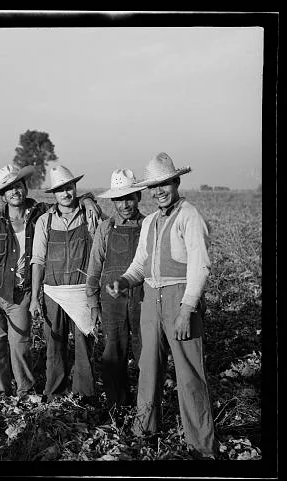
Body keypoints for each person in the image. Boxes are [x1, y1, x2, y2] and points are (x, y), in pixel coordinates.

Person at [106, 152, 216, 458]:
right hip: (150, 300)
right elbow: (140, 264)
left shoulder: (190, 215)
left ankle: (201, 446)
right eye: (153, 186)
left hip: (180, 300)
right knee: (147, 368)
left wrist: (186, 309)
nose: (159, 191)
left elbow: (201, 266)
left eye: (164, 183)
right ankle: (144, 431)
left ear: (176, 181)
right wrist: (125, 281)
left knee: (189, 373)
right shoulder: (151, 221)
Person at [0, 164, 102, 399]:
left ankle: (29, 390)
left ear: (25, 188)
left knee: (21, 344)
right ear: (3, 195)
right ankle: (1, 390)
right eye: (9, 189)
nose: (15, 192)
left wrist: (88, 199)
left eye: (18, 186)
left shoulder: (39, 214)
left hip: (25, 292)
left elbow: (68, 200)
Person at [29, 165, 105, 402]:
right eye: (60, 190)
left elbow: (102, 242)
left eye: (69, 188)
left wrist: (89, 200)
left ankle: (85, 393)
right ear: (54, 194)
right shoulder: (44, 220)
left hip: (82, 289)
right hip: (52, 290)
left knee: (84, 343)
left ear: (75, 188)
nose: (66, 193)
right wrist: (34, 297)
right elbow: (38, 260)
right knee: (55, 342)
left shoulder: (88, 215)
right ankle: (55, 391)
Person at [86, 169, 147, 408]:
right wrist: (92, 303)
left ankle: (146, 404)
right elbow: (94, 268)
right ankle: (116, 406)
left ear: (139, 197)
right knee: (114, 352)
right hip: (112, 301)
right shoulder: (105, 228)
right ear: (113, 201)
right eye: (120, 199)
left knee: (145, 351)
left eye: (130, 197)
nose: (125, 204)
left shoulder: (149, 225)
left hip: (143, 298)